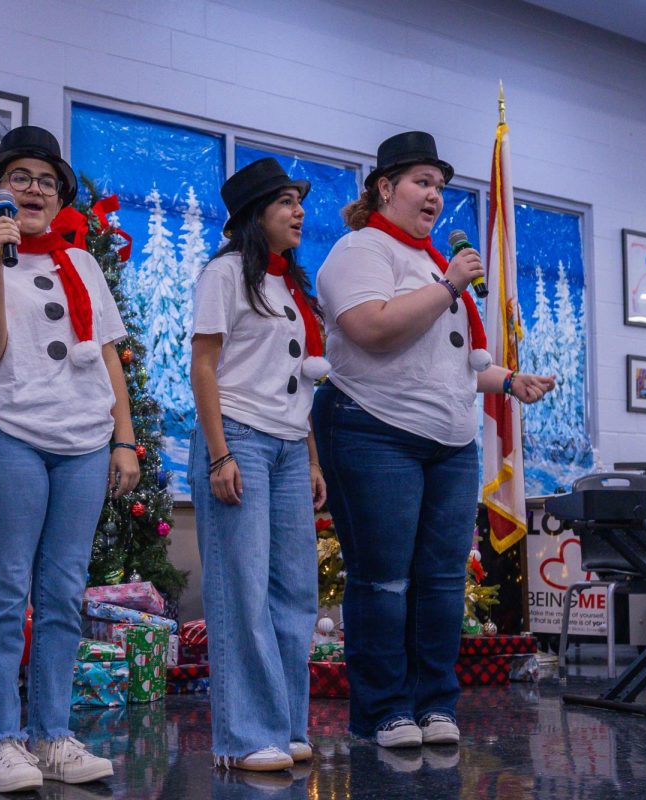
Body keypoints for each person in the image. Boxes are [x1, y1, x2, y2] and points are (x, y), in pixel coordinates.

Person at [312, 132, 556, 750]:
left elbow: (444, 363)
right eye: (422, 182)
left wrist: (507, 380)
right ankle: (384, 711)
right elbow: (372, 331)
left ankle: (434, 704)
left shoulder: (426, 262)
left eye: (441, 186)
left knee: (444, 579)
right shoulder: (360, 251)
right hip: (373, 429)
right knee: (384, 580)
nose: (434, 196)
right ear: (384, 187)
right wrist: (449, 285)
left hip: (449, 441)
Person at [0, 126, 138, 792]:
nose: (34, 189)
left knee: (62, 593)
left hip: (84, 438)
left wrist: (124, 438)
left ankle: (54, 734)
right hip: (8, 432)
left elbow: (111, 354)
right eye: (20, 177)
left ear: (61, 197)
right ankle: (4, 741)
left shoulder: (82, 264)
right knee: (6, 588)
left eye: (46, 181)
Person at [189, 157, 328, 773]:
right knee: (242, 589)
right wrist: (219, 453)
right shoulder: (224, 274)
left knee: (295, 591)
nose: (299, 212)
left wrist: (312, 458)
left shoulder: (292, 288)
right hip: (239, 437)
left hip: (290, 444)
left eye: (299, 201)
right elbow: (204, 367)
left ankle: (286, 725)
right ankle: (245, 735)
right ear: (254, 216)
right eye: (285, 203)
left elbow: (299, 381)